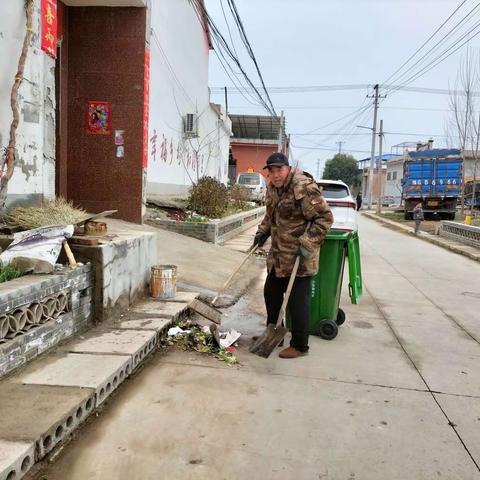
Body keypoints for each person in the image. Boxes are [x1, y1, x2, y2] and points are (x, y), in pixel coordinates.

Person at [252, 152, 334, 359]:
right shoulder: (272, 188)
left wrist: (308, 243)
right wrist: (262, 232)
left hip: (300, 257)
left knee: (297, 301)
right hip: (279, 256)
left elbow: (324, 218)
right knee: (271, 293)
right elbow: (270, 216)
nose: (275, 175)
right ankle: (275, 333)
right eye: (271, 171)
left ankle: (300, 345)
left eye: (279, 170)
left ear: (288, 168)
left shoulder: (303, 188)